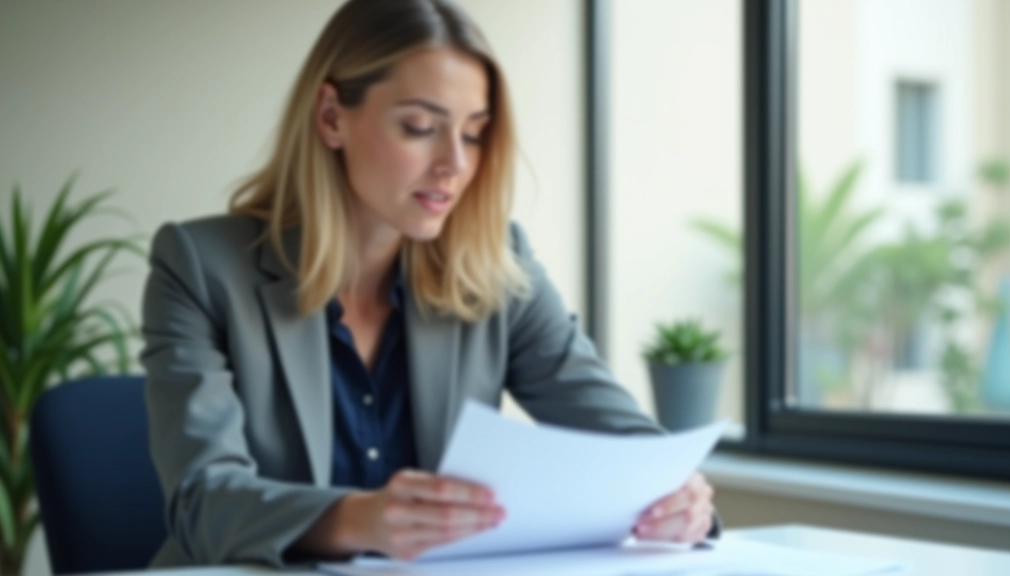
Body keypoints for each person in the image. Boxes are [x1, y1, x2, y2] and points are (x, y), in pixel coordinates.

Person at [141, 0, 716, 568]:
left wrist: (683, 499)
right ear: (331, 117)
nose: (454, 164)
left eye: (473, 134)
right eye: (420, 127)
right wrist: (358, 519)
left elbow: (629, 445)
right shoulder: (200, 266)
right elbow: (202, 501)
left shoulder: (497, 265)